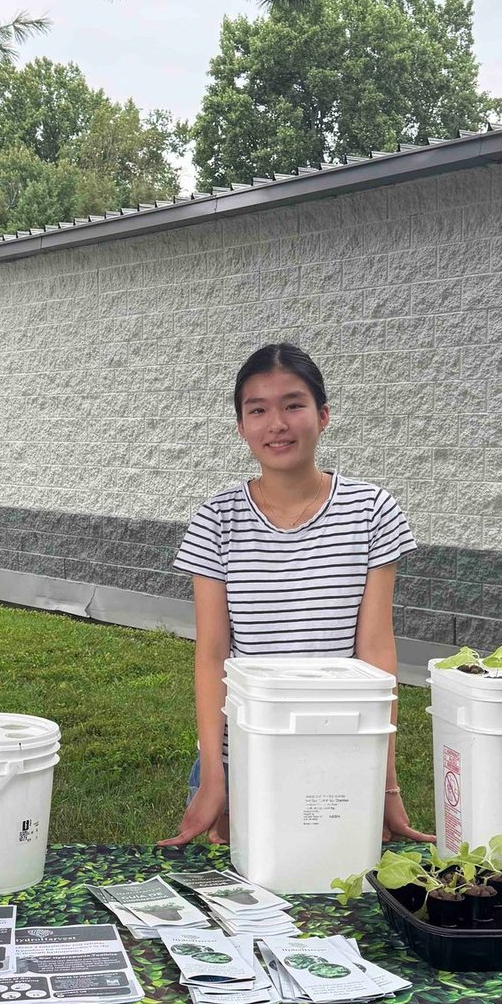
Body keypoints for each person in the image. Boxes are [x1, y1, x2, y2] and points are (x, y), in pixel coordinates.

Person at [162, 341, 434, 849]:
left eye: (293, 405)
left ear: (323, 415)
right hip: (244, 749)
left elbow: (375, 651)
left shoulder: (372, 509)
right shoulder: (216, 520)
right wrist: (216, 776)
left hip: (342, 743)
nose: (277, 424)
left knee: (335, 883)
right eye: (257, 410)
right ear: (241, 426)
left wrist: (385, 778)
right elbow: (213, 655)